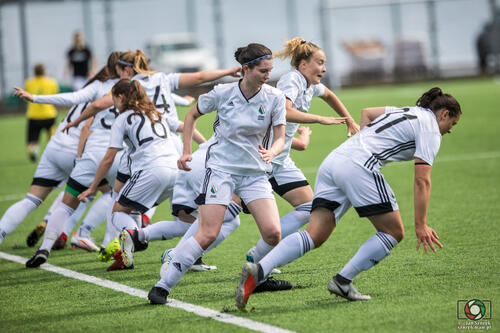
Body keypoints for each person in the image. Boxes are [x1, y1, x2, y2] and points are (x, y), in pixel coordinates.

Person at [236, 87, 461, 309]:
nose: (450, 130)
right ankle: (343, 281)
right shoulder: (431, 128)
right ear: (444, 114)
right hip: (359, 166)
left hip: (336, 159)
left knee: (315, 235)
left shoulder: (405, 110)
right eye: (452, 124)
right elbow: (422, 180)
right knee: (393, 232)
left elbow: (368, 112)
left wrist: (361, 144)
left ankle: (260, 270)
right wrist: (421, 225)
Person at [60, 50, 241, 265]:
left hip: (147, 151)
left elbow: (97, 105)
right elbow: (199, 78)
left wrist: (73, 120)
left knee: (120, 203)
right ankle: (185, 255)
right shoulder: (163, 80)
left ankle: (126, 241)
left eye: (118, 74)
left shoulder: (128, 91)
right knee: (184, 215)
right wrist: (204, 147)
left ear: (125, 71)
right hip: (177, 150)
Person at [147, 43, 287, 305]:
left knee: (273, 234)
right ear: (246, 69)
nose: (268, 75)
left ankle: (256, 274)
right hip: (221, 171)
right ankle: (162, 286)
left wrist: (272, 152)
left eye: (270, 71)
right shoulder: (222, 93)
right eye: (263, 71)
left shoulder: (274, 97)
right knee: (208, 233)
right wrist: (187, 150)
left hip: (255, 174)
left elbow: (280, 137)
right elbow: (191, 115)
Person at [245, 37, 359, 266]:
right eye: (320, 62)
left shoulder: (311, 85)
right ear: (303, 64)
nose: (324, 68)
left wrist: (349, 120)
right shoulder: (293, 80)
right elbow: (284, 111)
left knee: (310, 207)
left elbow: (329, 95)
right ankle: (178, 256)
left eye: (325, 62)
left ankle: (257, 258)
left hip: (279, 159)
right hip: (257, 158)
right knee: (224, 217)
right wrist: (319, 119)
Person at [0, 53, 121, 248]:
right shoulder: (114, 92)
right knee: (103, 193)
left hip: (55, 146)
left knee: (31, 200)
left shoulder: (90, 86)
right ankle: (72, 232)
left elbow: (69, 98)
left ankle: (4, 232)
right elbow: (86, 127)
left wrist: (34, 98)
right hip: (76, 150)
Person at [77, 79, 179, 270]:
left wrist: (92, 187)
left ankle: (136, 238)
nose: (113, 103)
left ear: (121, 97)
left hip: (153, 170)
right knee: (135, 209)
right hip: (176, 169)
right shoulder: (155, 113)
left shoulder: (123, 118)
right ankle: (128, 255)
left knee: (117, 212)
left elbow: (109, 158)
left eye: (113, 98)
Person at [24, 63, 59, 162]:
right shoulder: (52, 82)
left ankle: (33, 150)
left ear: (34, 71)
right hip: (49, 114)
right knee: (52, 136)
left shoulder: (29, 82)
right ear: (44, 71)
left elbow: (26, 97)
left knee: (32, 139)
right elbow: (55, 96)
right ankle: (55, 152)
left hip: (34, 116)